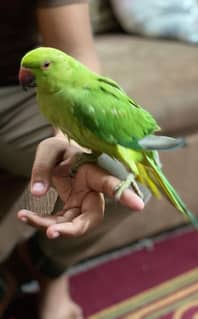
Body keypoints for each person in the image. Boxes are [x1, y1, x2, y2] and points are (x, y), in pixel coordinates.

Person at [0, 1, 144, 318]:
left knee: (121, 181)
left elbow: (74, 51)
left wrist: (69, 142)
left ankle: (44, 267)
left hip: (13, 95)